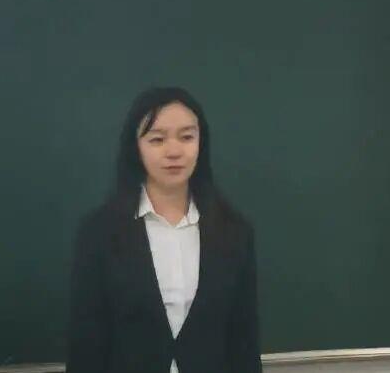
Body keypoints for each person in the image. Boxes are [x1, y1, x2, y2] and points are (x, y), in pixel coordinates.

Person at [67, 87, 261, 373]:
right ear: (136, 147)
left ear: (201, 143)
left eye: (187, 137)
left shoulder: (235, 233)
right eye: (157, 139)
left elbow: (244, 342)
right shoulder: (99, 233)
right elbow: (86, 343)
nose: (174, 151)